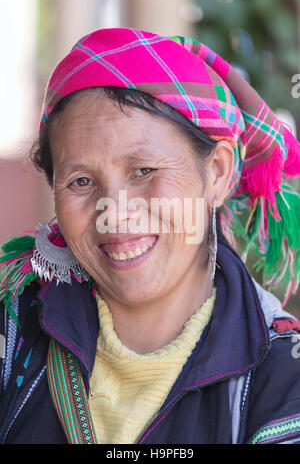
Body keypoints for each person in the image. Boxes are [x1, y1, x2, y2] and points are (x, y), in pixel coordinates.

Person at [0, 27, 300, 445]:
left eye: (144, 171)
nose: (116, 214)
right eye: (82, 181)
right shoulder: (12, 337)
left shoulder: (286, 381)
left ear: (217, 173)